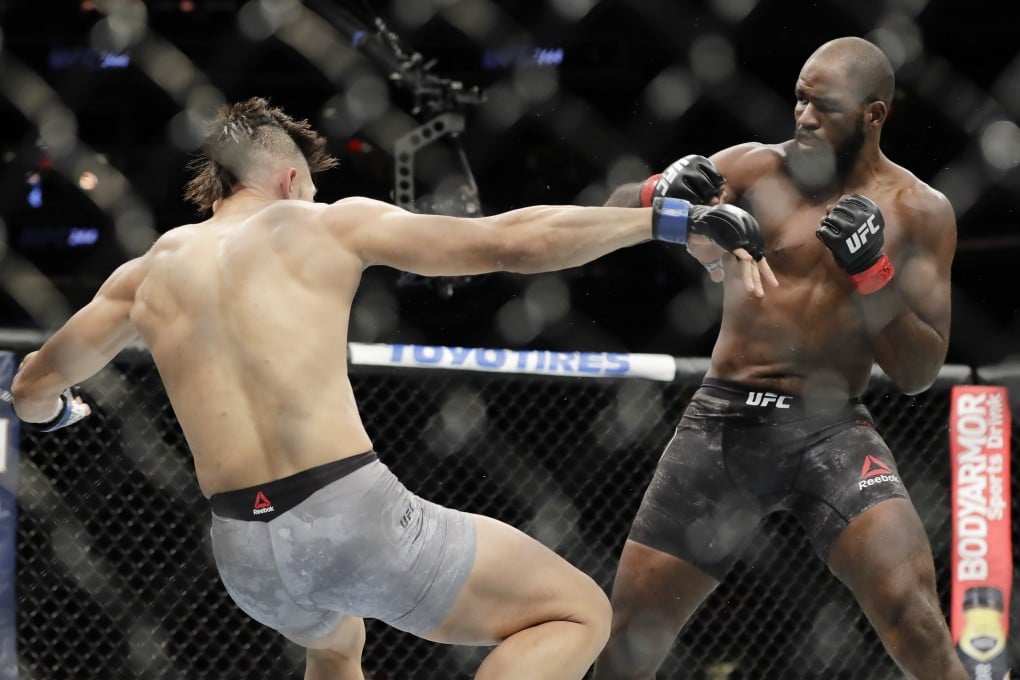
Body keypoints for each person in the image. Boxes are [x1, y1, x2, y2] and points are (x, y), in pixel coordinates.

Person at [10, 97, 776, 680]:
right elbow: (508, 244)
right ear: (290, 179)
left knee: (335, 642)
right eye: (311, 188)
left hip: (245, 556)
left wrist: (58, 413)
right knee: (576, 613)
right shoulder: (318, 225)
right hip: (347, 518)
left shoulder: (143, 276)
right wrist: (664, 222)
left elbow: (33, 385)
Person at [593, 37, 966, 679]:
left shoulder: (920, 211)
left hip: (833, 429)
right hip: (724, 420)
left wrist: (872, 272)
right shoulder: (752, 169)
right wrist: (658, 190)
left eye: (826, 107)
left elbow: (918, 372)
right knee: (627, 639)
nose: (804, 118)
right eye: (799, 100)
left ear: (874, 115)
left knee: (915, 618)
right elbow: (605, 220)